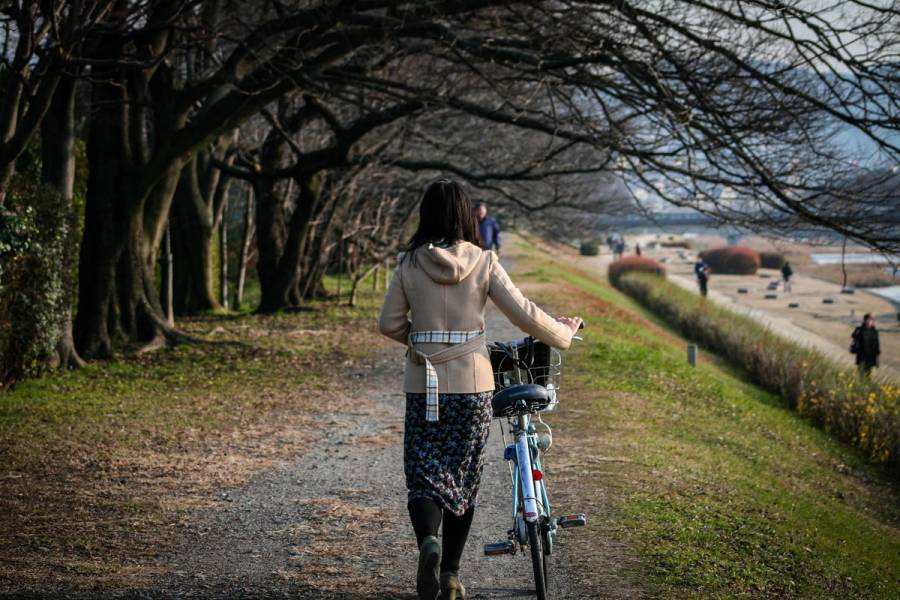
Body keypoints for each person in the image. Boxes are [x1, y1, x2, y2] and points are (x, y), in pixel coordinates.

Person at [379, 179, 581, 600]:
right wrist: (562, 332)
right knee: (463, 480)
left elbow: (389, 324)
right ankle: (451, 575)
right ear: (467, 215)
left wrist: (423, 342)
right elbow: (524, 315)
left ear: (426, 214)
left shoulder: (409, 263)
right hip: (473, 386)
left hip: (424, 385)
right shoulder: (485, 261)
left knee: (423, 476)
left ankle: (428, 542)